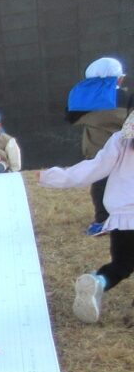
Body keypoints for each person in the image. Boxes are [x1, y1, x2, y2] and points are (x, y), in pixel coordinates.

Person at [40, 111, 134, 323]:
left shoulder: (120, 139)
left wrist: (53, 176)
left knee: (121, 265)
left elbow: (94, 168)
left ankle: (98, 281)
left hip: (122, 217)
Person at [65, 57, 132, 235]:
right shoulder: (125, 98)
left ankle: (103, 220)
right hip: (125, 150)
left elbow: (71, 117)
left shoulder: (83, 104)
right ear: (119, 79)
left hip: (97, 151)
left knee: (100, 185)